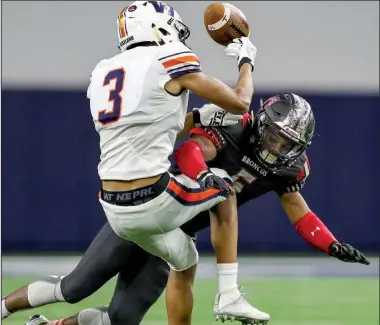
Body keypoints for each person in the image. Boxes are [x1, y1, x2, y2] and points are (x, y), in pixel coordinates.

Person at [2, 1, 268, 325]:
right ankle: (229, 294)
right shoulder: (170, 58)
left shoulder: (103, 71)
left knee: (184, 259)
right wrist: (246, 61)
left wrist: (198, 116)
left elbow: (147, 127)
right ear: (158, 27)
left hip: (113, 206)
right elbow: (240, 102)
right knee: (224, 188)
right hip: (154, 197)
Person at [4, 94, 369, 325]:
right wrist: (205, 175)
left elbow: (297, 208)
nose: (276, 147)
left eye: (287, 143)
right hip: (154, 212)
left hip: (178, 234)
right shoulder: (234, 126)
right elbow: (190, 150)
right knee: (74, 287)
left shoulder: (291, 167)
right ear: (261, 123)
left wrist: (330, 243)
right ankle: (4, 308)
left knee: (123, 318)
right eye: (274, 135)